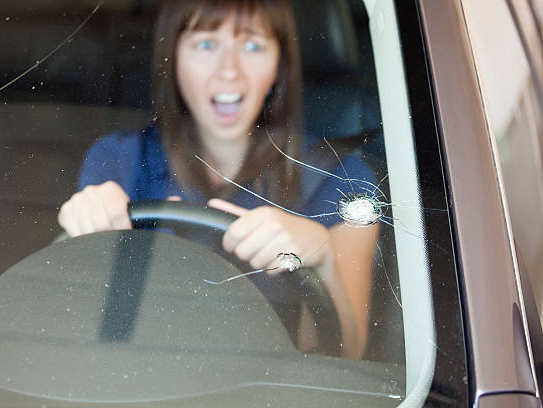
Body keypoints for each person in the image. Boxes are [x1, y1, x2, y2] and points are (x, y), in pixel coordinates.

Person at [58, 0, 378, 359]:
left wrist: (324, 259)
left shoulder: (343, 181)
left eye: (253, 45)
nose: (230, 72)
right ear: (173, 58)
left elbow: (345, 358)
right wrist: (87, 229)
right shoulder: (119, 160)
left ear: (279, 65)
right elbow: (84, 336)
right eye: (206, 44)